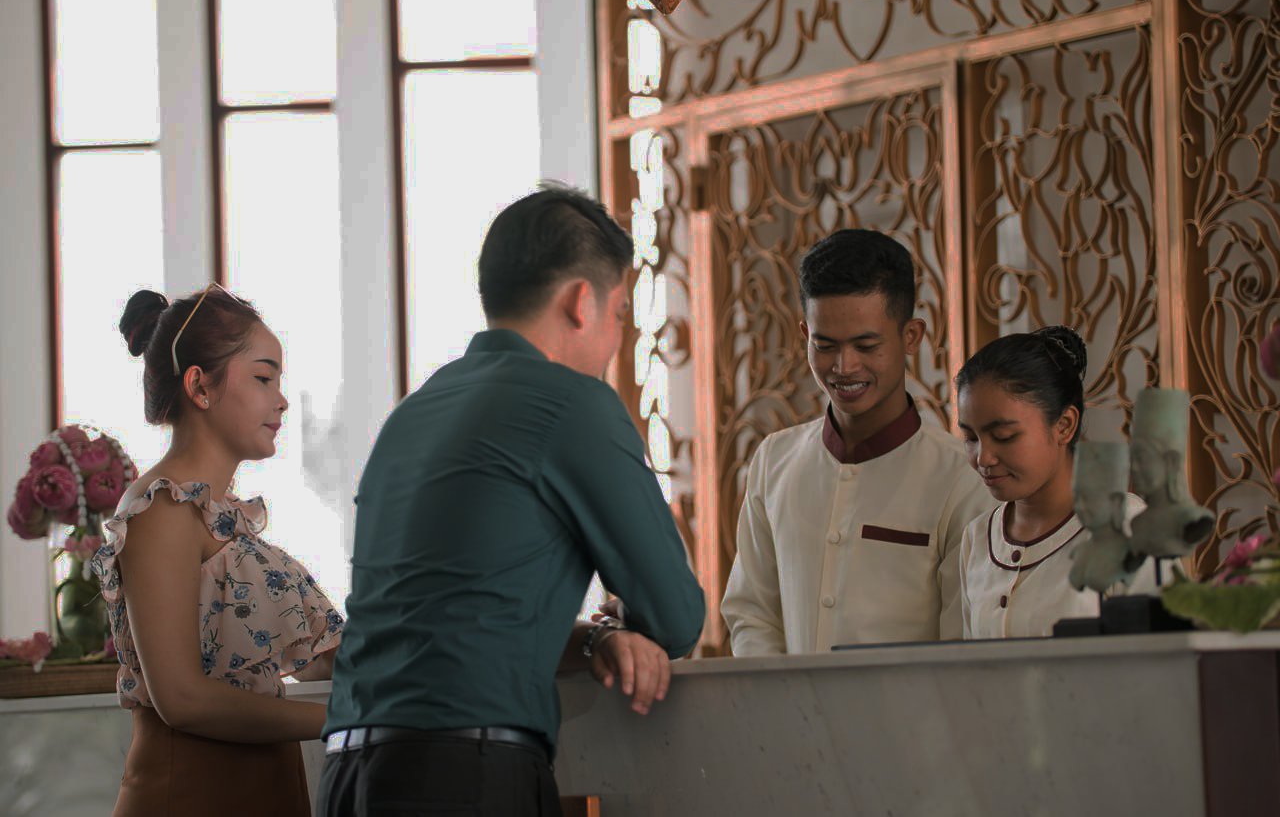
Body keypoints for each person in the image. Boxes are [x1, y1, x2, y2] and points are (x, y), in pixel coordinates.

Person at [319, 185, 706, 817]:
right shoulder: (572, 403)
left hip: (347, 771)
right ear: (580, 302)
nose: (617, 339)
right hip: (463, 773)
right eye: (620, 314)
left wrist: (594, 639)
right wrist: (616, 625)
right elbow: (676, 617)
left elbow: (462, 616)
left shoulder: (414, 412)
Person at [92, 284, 345, 817]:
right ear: (199, 386)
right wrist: (345, 720)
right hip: (188, 797)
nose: (281, 400)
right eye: (263, 378)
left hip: (262, 792)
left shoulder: (226, 516)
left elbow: (317, 659)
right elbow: (182, 700)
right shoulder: (159, 509)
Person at [721, 229, 994, 655]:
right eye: (825, 345)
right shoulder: (774, 460)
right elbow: (752, 613)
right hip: (787, 700)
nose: (844, 366)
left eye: (866, 346)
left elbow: (960, 644)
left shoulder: (960, 479)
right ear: (805, 334)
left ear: (911, 336)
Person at [954, 326, 1153, 638]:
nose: (983, 458)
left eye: (1004, 436)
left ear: (1064, 425)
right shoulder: (977, 538)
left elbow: (1159, 660)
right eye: (970, 438)